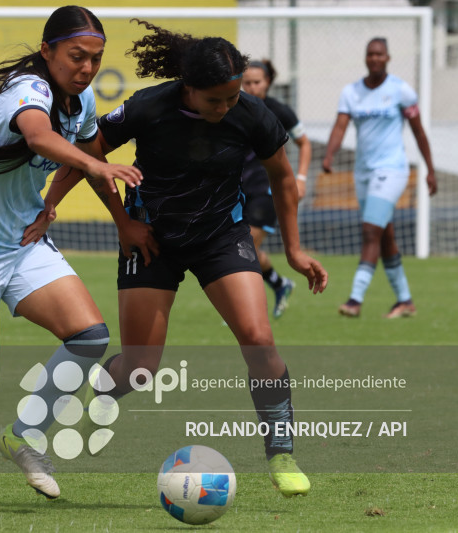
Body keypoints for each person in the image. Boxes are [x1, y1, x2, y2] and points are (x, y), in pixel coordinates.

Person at [44, 20, 327, 498]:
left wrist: (294, 250)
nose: (225, 108)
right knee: (140, 367)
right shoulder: (149, 106)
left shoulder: (252, 114)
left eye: (232, 98)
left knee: (259, 339)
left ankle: (282, 453)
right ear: (189, 89)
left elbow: (282, 179)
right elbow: (87, 155)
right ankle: (95, 392)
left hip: (221, 236)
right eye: (214, 100)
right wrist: (105, 218)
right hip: (151, 239)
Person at [0, 5, 142, 513]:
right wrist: (97, 161)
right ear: (48, 51)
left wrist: (119, 220)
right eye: (76, 56)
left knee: (89, 338)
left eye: (95, 59)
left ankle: (22, 435)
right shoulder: (28, 89)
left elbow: (85, 164)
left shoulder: (79, 100)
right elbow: (41, 138)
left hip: (21, 240)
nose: (86, 68)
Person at [322, 37, 436, 319]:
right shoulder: (351, 92)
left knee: (370, 231)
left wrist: (430, 169)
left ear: (388, 57)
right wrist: (329, 155)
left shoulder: (401, 91)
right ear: (365, 58)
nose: (374, 58)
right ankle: (405, 301)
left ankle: (355, 299)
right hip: (363, 172)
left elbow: (419, 132)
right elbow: (340, 126)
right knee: (384, 236)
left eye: (379, 54)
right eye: (370, 54)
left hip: (392, 170)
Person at [241, 59, 313, 318]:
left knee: (245, 247)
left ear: (268, 83)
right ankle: (279, 284)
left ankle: (248, 311)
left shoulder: (278, 111)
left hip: (267, 189)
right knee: (244, 248)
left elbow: (304, 143)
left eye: (256, 82)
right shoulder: (232, 108)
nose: (251, 87)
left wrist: (301, 179)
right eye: (246, 82)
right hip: (238, 188)